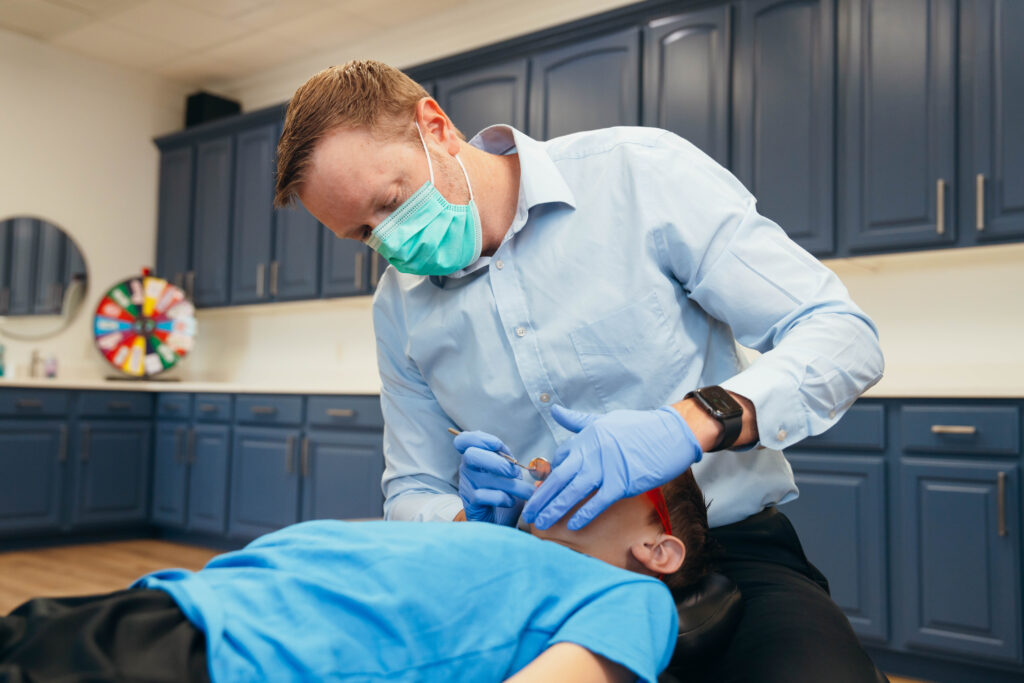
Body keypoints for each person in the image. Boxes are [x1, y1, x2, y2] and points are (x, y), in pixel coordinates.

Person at [274, 60, 887, 681]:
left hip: (729, 550)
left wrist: (689, 425)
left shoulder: (639, 175)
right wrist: (472, 524)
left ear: (434, 126)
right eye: (364, 235)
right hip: (539, 573)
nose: (392, 241)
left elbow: (841, 335)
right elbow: (409, 491)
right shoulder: (398, 306)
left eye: (392, 202)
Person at [0, 472, 710, 683]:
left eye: (616, 473)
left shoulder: (632, 594)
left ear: (660, 548)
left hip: (235, 660)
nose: (560, 464)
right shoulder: (500, 536)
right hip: (183, 601)